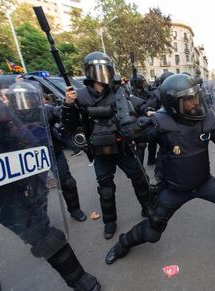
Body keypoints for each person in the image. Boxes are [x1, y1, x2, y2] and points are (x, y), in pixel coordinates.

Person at [104, 74, 215, 265]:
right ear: (173, 104)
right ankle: (123, 243)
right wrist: (120, 98)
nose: (195, 102)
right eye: (188, 99)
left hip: (204, 182)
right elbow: (130, 133)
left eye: (195, 96)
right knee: (153, 230)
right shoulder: (160, 123)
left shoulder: (204, 117)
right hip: (174, 189)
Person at [0, 50, 100, 290]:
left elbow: (25, 145)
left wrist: (34, 185)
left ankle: (79, 280)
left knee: (46, 236)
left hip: (5, 193)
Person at [62, 51, 152, 239]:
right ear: (89, 72)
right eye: (99, 70)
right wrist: (68, 105)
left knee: (140, 179)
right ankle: (109, 222)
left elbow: (136, 105)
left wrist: (148, 110)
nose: (103, 74)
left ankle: (148, 209)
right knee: (106, 189)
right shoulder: (79, 96)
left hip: (122, 146)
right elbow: (70, 126)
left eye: (106, 69)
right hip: (100, 151)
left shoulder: (118, 91)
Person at [5, 83, 87, 222]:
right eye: (19, 98)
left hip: (53, 152)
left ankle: (75, 209)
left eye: (27, 97)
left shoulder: (45, 110)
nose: (24, 102)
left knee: (67, 182)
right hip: (29, 158)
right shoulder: (8, 116)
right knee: (36, 191)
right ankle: (41, 221)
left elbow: (62, 114)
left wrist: (68, 103)